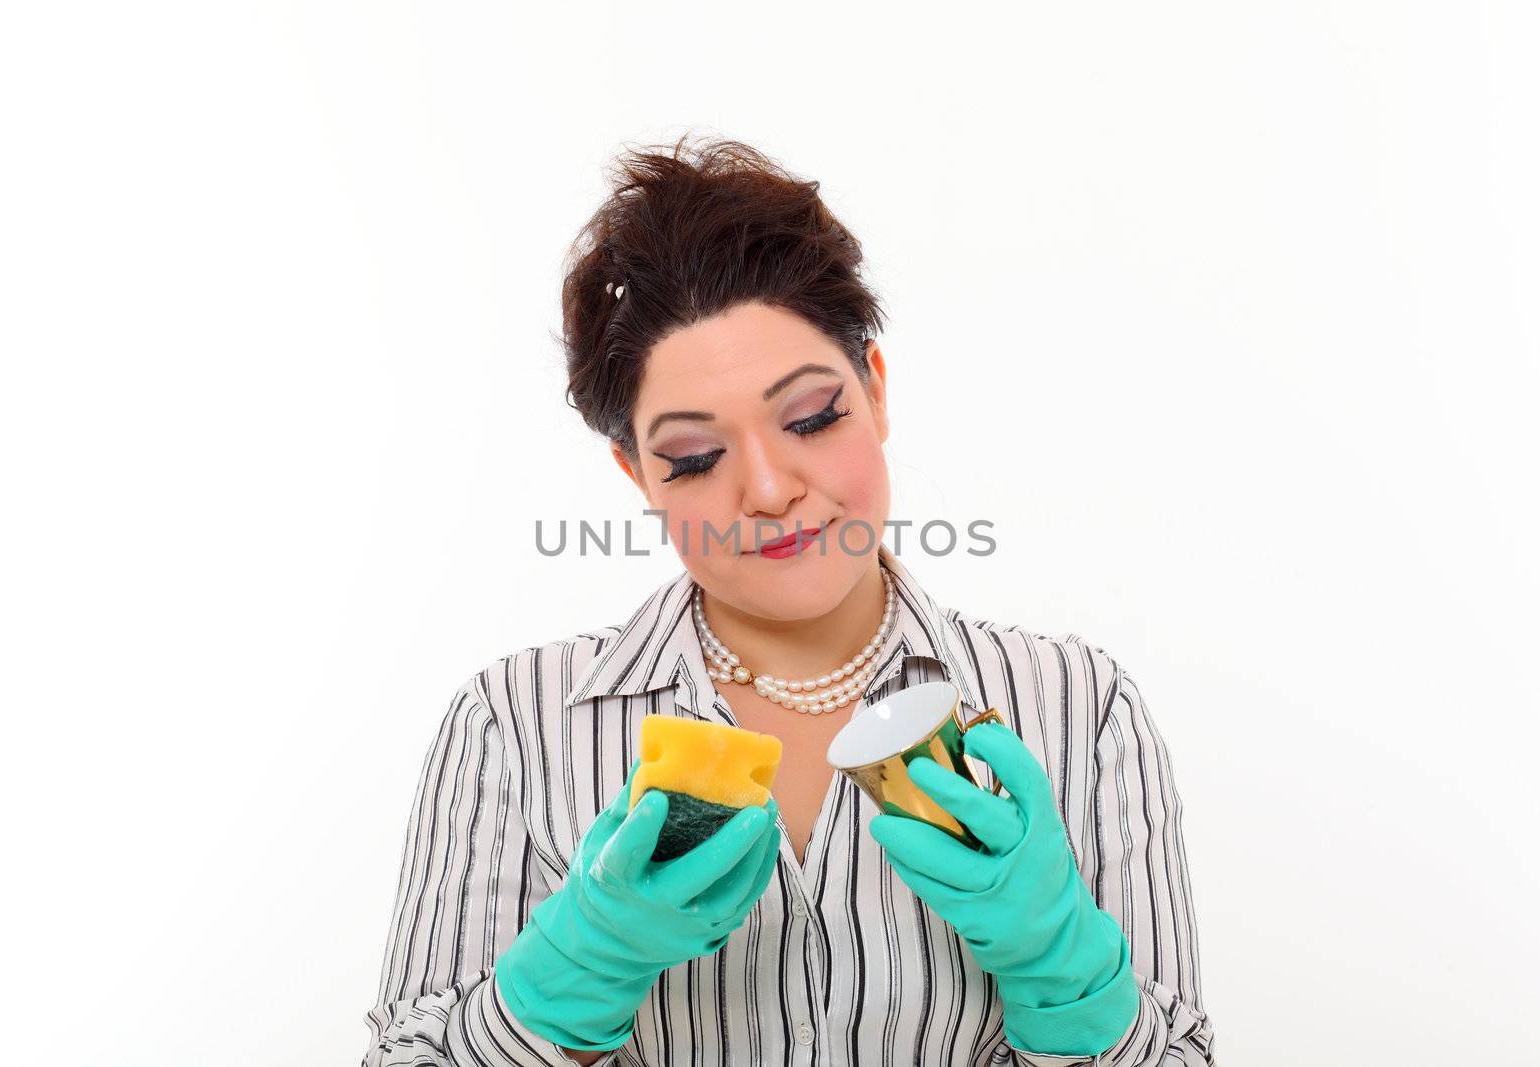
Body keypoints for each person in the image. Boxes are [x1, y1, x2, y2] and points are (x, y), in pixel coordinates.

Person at [361, 134, 1215, 1066]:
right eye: (694, 458)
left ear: (875, 391)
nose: (767, 489)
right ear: (638, 472)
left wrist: (1069, 977)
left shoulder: (1081, 709)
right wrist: (568, 983)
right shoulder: (513, 726)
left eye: (811, 417)